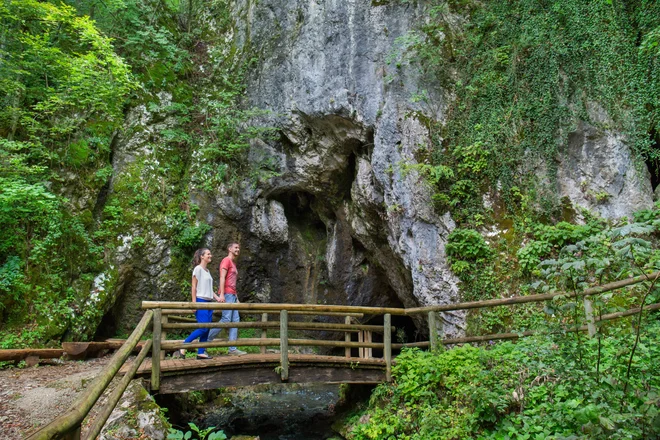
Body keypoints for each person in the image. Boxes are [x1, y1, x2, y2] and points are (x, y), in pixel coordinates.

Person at [208, 242, 246, 355]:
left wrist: (236, 298)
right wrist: (222, 294)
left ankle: (232, 349)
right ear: (229, 249)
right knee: (226, 319)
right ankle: (206, 340)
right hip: (227, 294)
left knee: (235, 321)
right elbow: (222, 277)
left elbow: (232, 282)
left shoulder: (233, 263)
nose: (238, 249)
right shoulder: (226, 260)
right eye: (235, 247)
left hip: (232, 295)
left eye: (238, 248)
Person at [178, 248, 216, 360]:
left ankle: (201, 352)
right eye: (208, 254)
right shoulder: (198, 269)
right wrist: (194, 303)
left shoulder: (208, 272)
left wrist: (217, 297)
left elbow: (209, 288)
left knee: (207, 328)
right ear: (202, 256)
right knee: (203, 327)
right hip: (201, 301)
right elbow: (194, 286)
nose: (210, 255)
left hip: (209, 302)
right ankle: (184, 345)